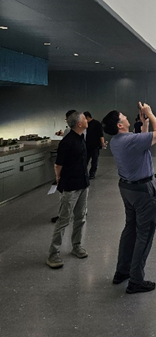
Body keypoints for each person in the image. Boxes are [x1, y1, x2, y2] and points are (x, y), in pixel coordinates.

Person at [101, 103, 156, 294]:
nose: (127, 117)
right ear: (119, 125)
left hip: (127, 188)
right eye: (123, 116)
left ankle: (122, 271)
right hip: (143, 191)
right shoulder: (130, 140)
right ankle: (136, 280)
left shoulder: (117, 141)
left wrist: (144, 122)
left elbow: (143, 140)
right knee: (144, 233)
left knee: (130, 229)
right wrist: (150, 113)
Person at [46, 111, 89, 269]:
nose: (87, 120)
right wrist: (58, 179)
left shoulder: (81, 138)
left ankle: (76, 246)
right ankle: (53, 254)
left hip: (83, 184)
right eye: (84, 119)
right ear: (79, 124)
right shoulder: (67, 141)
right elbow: (58, 164)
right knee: (64, 220)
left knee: (80, 217)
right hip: (70, 186)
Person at [51, 108, 76, 223]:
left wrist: (58, 176)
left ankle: (64, 216)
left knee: (66, 195)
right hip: (77, 169)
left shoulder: (69, 133)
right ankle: (79, 212)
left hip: (68, 170)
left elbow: (60, 162)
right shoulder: (81, 133)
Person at [83, 111, 106, 179]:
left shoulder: (96, 123)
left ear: (87, 117)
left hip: (95, 145)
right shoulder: (85, 124)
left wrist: (102, 143)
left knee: (94, 161)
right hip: (87, 145)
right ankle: (84, 173)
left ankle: (92, 174)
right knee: (85, 160)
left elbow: (101, 134)